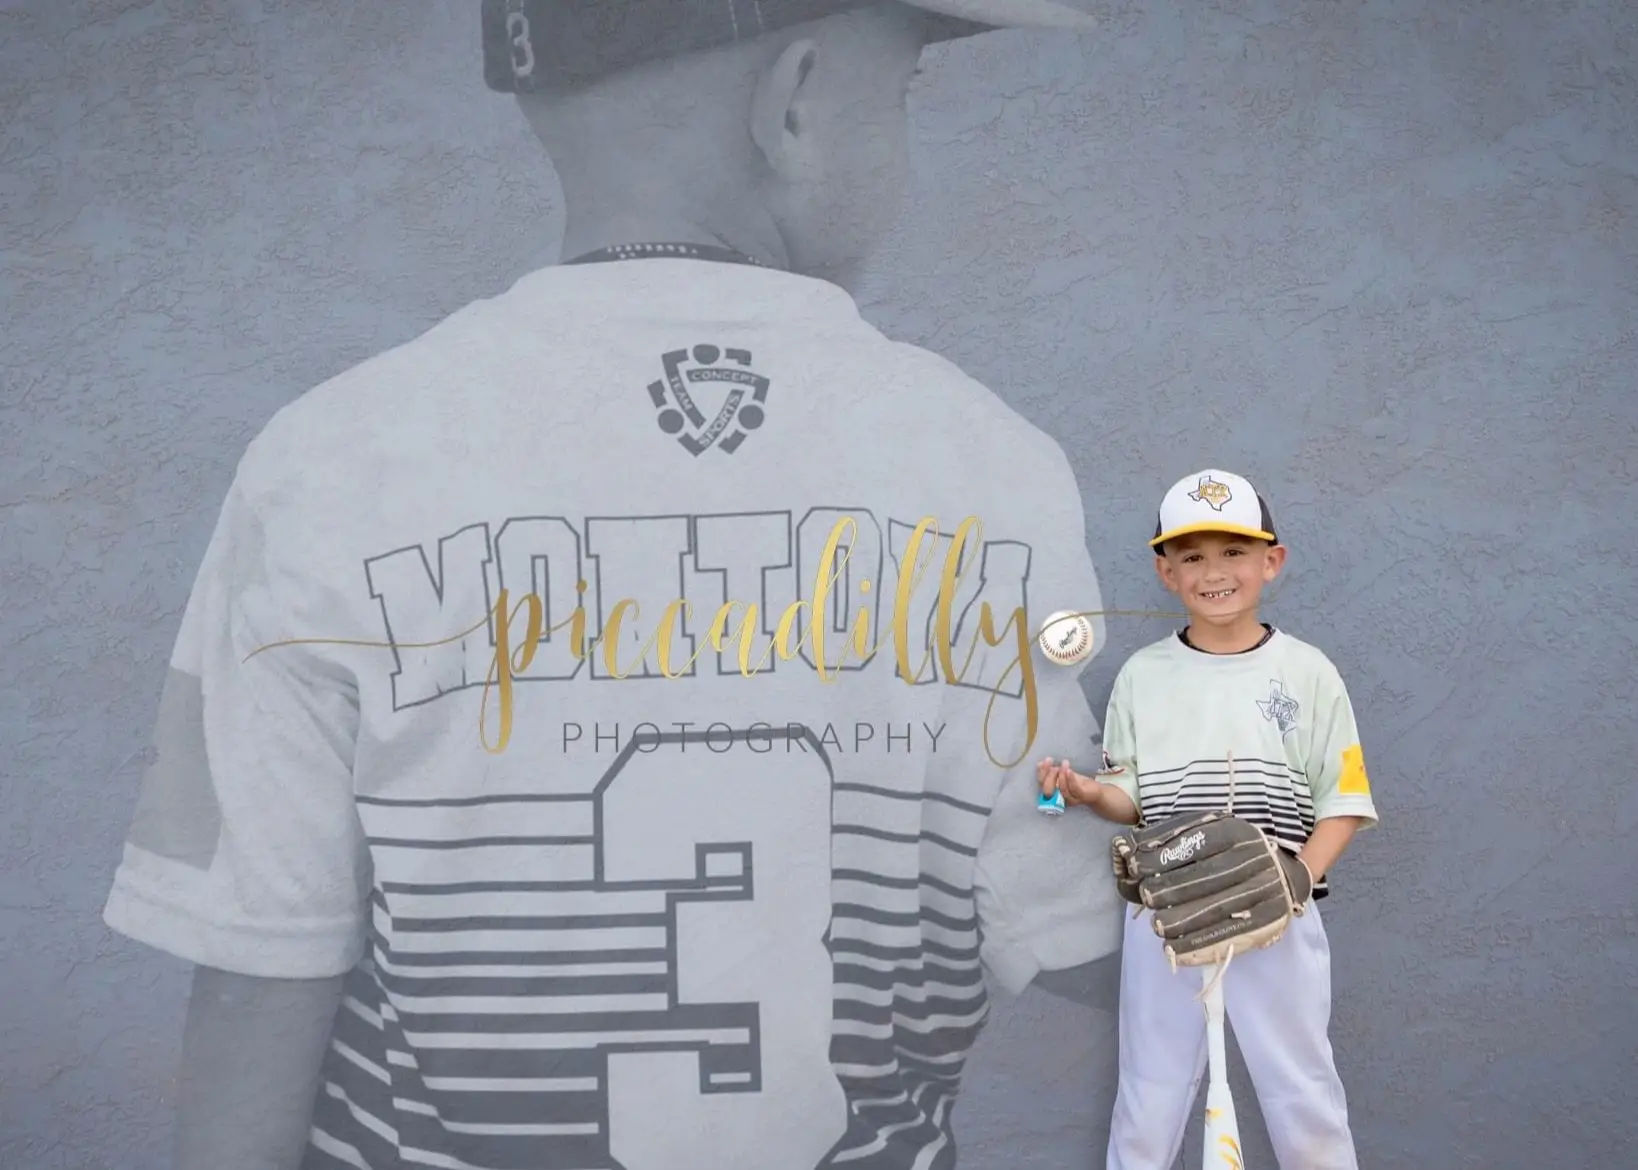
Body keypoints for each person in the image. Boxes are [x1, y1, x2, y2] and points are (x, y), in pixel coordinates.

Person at [100, 3, 1128, 1169]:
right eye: (901, 95)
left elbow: (256, 977)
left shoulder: (327, 460)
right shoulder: (983, 470)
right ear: (792, 103)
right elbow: (1083, 926)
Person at [1037, 467, 1380, 1170]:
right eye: (1191, 556)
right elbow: (1132, 797)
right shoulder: (1143, 674)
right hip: (1166, 908)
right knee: (1151, 1092)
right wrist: (1088, 793)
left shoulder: (1308, 671)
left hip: (1276, 909)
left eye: (1233, 551)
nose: (1214, 572)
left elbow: (1344, 801)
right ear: (1166, 573)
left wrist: (1295, 881)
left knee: (1302, 1091)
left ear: (1271, 562)